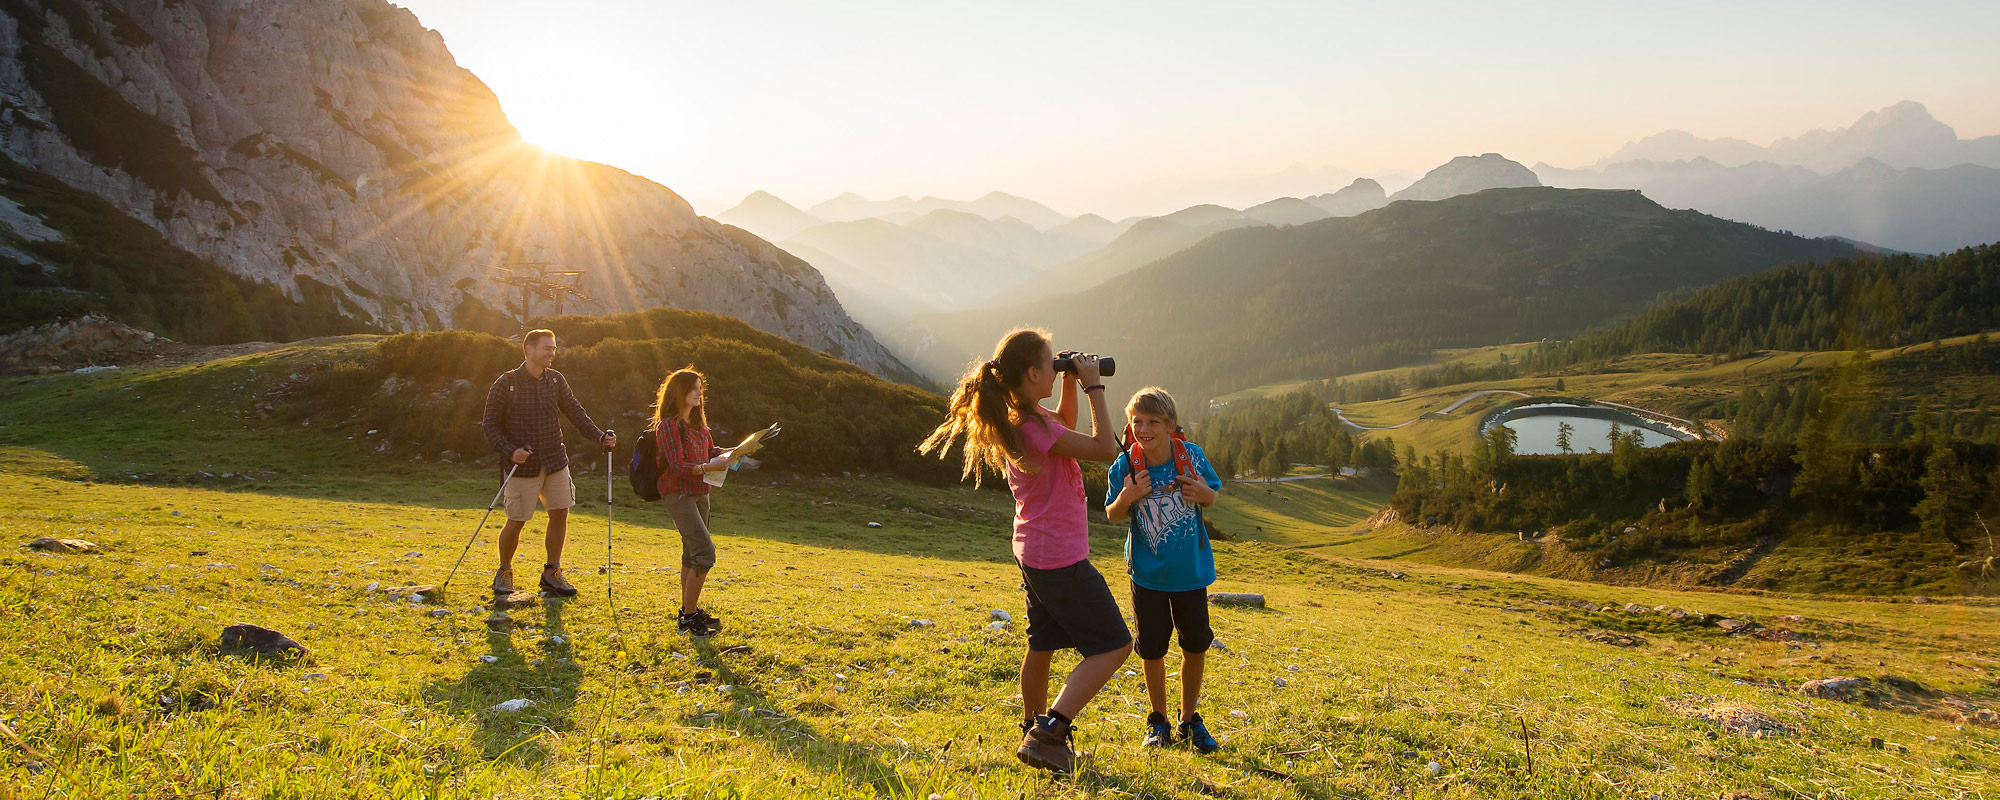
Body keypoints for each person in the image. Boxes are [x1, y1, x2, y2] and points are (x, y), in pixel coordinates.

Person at [919, 329, 1130, 774]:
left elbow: (1064, 428)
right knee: (1114, 644)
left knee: (1043, 642)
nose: (1056, 367)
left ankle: (1032, 725)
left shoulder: (1025, 413)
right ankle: (1050, 730)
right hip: (1059, 556)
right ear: (1033, 373)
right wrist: (1094, 386)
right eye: (1052, 363)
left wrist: (1070, 381)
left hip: (1036, 551)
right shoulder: (1029, 426)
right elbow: (1103, 448)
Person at [1104, 387, 1224, 753]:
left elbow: (1213, 496)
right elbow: (1111, 514)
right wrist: (1127, 497)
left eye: (1153, 421)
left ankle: (1189, 720)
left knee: (1194, 647)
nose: (1144, 428)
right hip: (1147, 576)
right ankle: (1159, 721)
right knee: (1152, 651)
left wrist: (1202, 493)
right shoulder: (1125, 464)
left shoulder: (1192, 457)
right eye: (1137, 421)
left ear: (1171, 425)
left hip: (1190, 573)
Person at [480, 329, 615, 598]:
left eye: (553, 348)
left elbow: (576, 412)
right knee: (517, 520)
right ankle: (504, 571)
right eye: (546, 348)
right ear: (528, 349)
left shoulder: (555, 380)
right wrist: (510, 451)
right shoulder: (506, 383)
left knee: (560, 513)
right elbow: (490, 426)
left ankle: (551, 573)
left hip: (555, 460)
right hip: (523, 465)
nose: (552, 353)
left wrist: (599, 436)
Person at [649, 367, 735, 637]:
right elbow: (678, 466)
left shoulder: (699, 426)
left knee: (691, 553)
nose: (700, 393)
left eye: (701, 388)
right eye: (694, 388)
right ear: (680, 391)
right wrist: (709, 467)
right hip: (678, 493)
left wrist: (730, 452)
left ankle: (690, 610)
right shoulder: (668, 426)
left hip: (701, 492)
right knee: (705, 553)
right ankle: (688, 617)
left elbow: (709, 452)